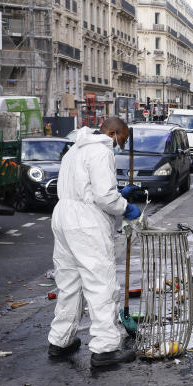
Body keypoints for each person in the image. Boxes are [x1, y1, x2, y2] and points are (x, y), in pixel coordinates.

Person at [47, 117, 142, 367]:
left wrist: (116, 194)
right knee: (100, 283)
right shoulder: (101, 151)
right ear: (113, 133)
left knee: (69, 282)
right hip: (86, 221)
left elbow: (84, 187)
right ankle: (106, 348)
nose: (123, 145)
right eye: (123, 138)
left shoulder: (75, 149)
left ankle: (60, 340)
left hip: (64, 215)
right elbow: (104, 197)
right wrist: (125, 206)